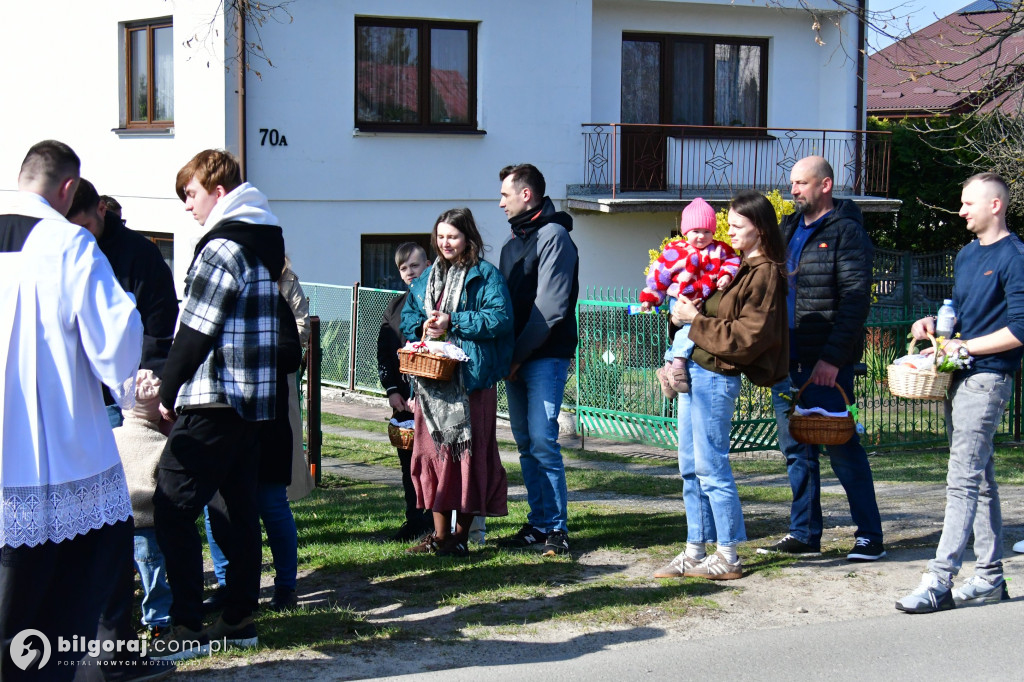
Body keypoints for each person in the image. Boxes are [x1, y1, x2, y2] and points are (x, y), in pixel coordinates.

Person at [0, 140, 143, 680]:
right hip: (57, 456)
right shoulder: (69, 244)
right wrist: (130, 386)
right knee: (54, 618)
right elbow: (116, 340)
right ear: (68, 188)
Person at [153, 149, 285, 658]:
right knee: (235, 510)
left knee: (171, 507)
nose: (188, 206)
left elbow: (195, 330)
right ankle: (238, 619)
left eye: (191, 194)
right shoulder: (260, 242)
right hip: (251, 403)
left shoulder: (222, 247)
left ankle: (186, 625)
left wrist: (167, 390)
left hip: (214, 396)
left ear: (219, 192)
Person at [896, 173, 1024, 613]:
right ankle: (989, 578)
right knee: (980, 479)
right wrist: (934, 326)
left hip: (988, 380)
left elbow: (1019, 329)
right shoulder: (968, 255)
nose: (961, 210)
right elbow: (962, 318)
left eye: (969, 203)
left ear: (995, 205)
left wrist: (965, 347)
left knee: (963, 479)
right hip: (960, 377)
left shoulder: (1015, 257)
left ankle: (939, 580)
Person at [653, 190, 789, 580]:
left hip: (717, 375)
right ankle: (695, 550)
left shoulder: (764, 273)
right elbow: (698, 306)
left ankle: (728, 555)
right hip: (696, 371)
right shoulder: (732, 264)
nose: (729, 231)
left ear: (759, 228)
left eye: (738, 225)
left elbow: (748, 336)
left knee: (711, 466)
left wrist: (694, 320)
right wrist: (679, 316)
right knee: (690, 467)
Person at [760, 155, 886, 562]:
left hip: (826, 365)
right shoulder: (788, 228)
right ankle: (804, 533)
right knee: (797, 449)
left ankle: (870, 536)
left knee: (843, 449)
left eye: (801, 183)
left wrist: (832, 359)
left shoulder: (847, 232)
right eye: (792, 183)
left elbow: (854, 302)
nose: (793, 190)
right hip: (787, 360)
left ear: (825, 185)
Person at [400, 208, 512, 557]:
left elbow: (500, 318)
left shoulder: (486, 275)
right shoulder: (426, 279)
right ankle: (439, 536)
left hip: (471, 381)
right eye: (441, 236)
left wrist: (454, 320)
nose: (446, 243)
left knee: (468, 456)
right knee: (434, 455)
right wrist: (423, 327)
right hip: (432, 383)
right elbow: (408, 318)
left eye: (453, 236)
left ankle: (460, 537)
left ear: (468, 238)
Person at [204, 259, 305, 614]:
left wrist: (245, 354)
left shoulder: (271, 301)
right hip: (220, 417)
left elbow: (291, 355)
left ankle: (286, 587)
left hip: (267, 421)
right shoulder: (210, 301)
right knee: (216, 505)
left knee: (271, 503)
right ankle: (226, 583)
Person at [497, 164, 580, 556]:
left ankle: (557, 528)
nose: (501, 203)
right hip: (515, 359)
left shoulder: (554, 236)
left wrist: (516, 356)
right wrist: (505, 356)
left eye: (505, 195)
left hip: (545, 356)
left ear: (526, 194)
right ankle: (538, 523)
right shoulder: (511, 244)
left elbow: (550, 308)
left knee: (544, 440)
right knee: (526, 443)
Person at [67, 179, 178, 429]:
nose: (79, 237)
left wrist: (148, 394)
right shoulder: (62, 251)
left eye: (84, 227)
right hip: (71, 393)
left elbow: (157, 329)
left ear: (102, 209)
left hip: (121, 401)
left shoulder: (141, 254)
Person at [640, 197, 740, 396]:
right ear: (685, 231)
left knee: (693, 326)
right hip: (680, 298)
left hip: (702, 299)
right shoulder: (676, 251)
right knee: (689, 327)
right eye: (696, 231)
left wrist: (726, 275)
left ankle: (668, 367)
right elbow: (659, 277)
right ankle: (677, 364)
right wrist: (650, 298)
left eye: (707, 231)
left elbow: (733, 261)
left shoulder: (719, 250)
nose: (701, 236)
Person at [378, 242, 434, 541]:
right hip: (403, 400)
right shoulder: (394, 307)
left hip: (434, 397)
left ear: (428, 265)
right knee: (408, 463)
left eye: (414, 265)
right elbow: (385, 353)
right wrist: (392, 391)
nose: (410, 272)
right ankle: (414, 519)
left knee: (433, 463)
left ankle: (437, 522)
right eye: (403, 268)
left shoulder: (438, 303)